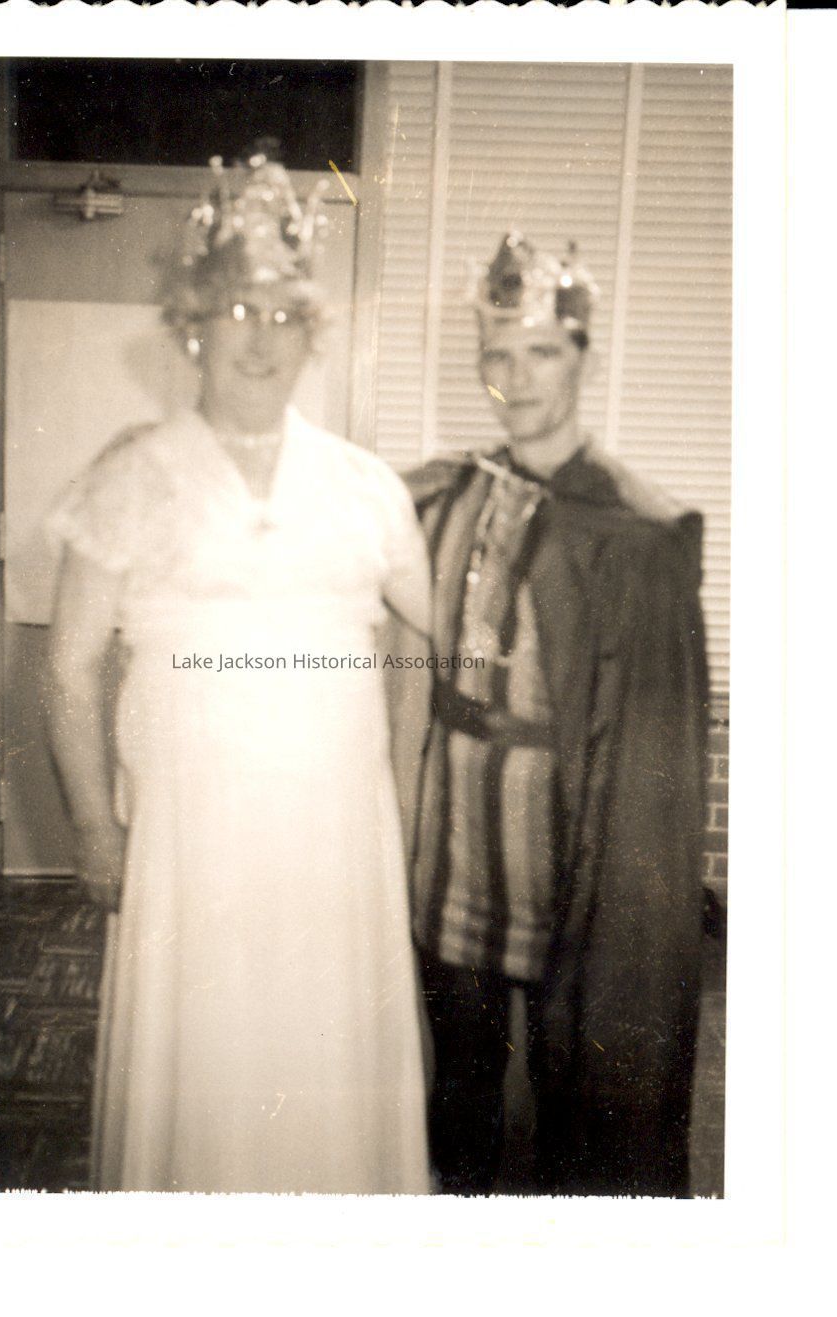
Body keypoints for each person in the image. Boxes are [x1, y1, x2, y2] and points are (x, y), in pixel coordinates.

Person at [46, 151, 432, 1194]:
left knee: (323, 1048)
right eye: (235, 312)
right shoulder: (129, 478)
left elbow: (433, 644)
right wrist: (92, 826)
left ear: (313, 334)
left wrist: (400, 801)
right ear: (193, 327)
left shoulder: (366, 488)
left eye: (283, 316)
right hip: (190, 838)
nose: (259, 339)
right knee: (205, 1056)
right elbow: (69, 668)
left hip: (336, 839)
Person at [389, 231, 708, 1197]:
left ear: (583, 360)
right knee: (458, 1089)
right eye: (499, 353)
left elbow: (647, 746)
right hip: (454, 850)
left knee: (580, 1086)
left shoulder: (634, 531)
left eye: (542, 352)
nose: (518, 377)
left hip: (568, 855)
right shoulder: (446, 494)